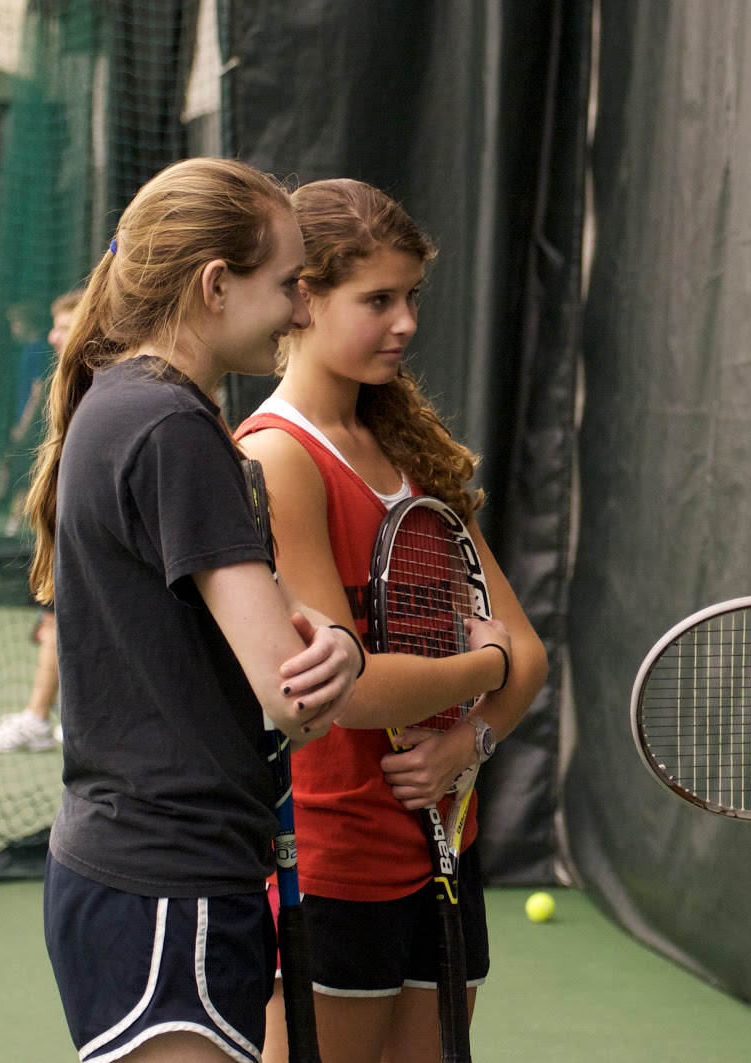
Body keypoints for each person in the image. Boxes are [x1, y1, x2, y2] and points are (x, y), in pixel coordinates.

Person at [24, 157, 365, 1063]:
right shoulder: (174, 428)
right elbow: (294, 693)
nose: (302, 311)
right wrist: (336, 656)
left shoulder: (128, 404)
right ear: (216, 284)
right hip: (167, 888)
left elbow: (291, 622)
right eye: (289, 284)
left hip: (143, 874)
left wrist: (335, 644)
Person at [236, 178, 547, 1063]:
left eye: (411, 295)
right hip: (336, 862)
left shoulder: (412, 449)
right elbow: (352, 686)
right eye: (377, 299)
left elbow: (528, 650)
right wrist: (480, 676)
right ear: (304, 297)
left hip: (447, 840)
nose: (405, 321)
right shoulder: (276, 458)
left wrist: (470, 743)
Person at [0, 290, 81, 753]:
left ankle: (43, 718)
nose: (54, 336)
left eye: (65, 324)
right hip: (71, 534)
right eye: (53, 325)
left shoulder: (107, 386)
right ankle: (55, 718)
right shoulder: (67, 380)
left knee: (62, 624)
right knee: (59, 623)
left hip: (87, 538)